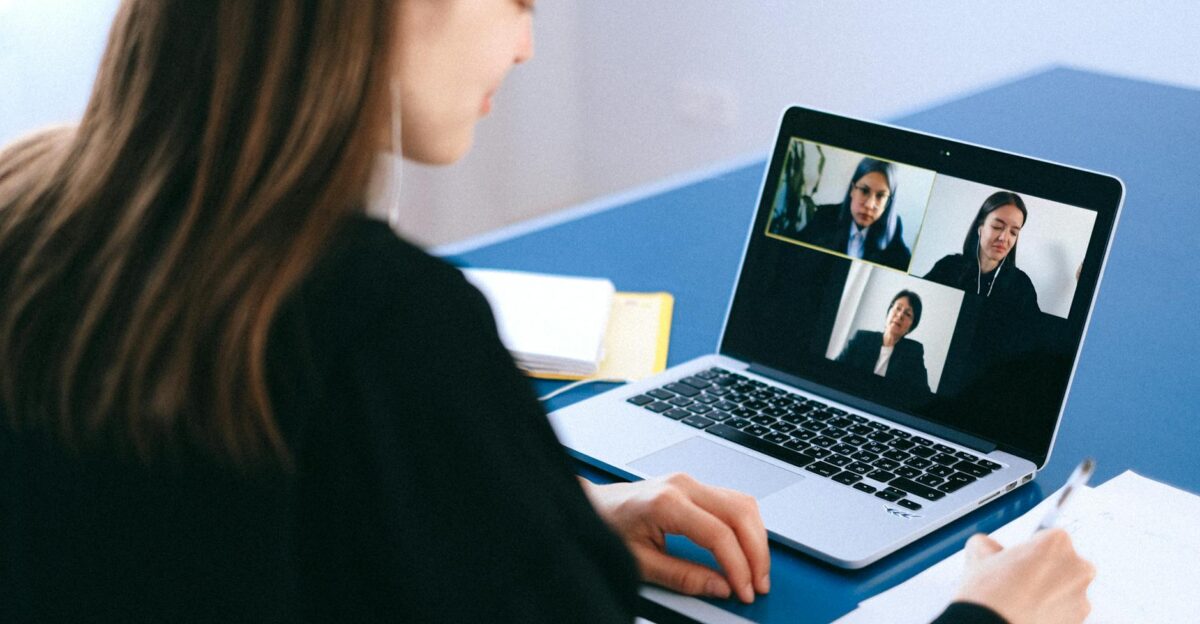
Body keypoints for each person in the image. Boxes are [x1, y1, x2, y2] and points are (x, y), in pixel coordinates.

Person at [0, 1, 1092, 622]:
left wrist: (549, 519)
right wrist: (983, 620)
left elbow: (224, 522)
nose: (525, 44)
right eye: (517, 1)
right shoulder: (388, 328)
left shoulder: (27, 204)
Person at [924, 191, 1040, 314]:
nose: (1004, 238)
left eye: (1013, 232)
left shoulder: (1021, 285)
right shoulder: (948, 267)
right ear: (980, 227)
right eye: (997, 227)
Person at [798, 157, 912, 271]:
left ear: (888, 202)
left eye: (880, 196)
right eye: (864, 191)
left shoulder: (893, 228)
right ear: (852, 190)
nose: (869, 204)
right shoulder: (825, 216)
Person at [837, 290, 931, 392]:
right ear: (888, 312)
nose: (900, 316)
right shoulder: (862, 339)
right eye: (898, 308)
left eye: (907, 314)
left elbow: (922, 393)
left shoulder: (913, 352)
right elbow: (835, 370)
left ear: (911, 327)